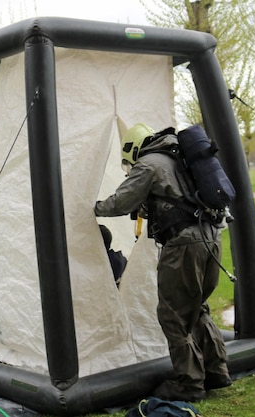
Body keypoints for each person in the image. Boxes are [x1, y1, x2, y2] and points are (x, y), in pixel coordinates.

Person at [94, 123, 231, 402]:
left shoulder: (148, 164)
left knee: (173, 315)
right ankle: (216, 371)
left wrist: (91, 208)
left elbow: (121, 202)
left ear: (133, 149)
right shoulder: (178, 159)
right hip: (211, 238)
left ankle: (189, 384)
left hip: (183, 244)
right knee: (197, 307)